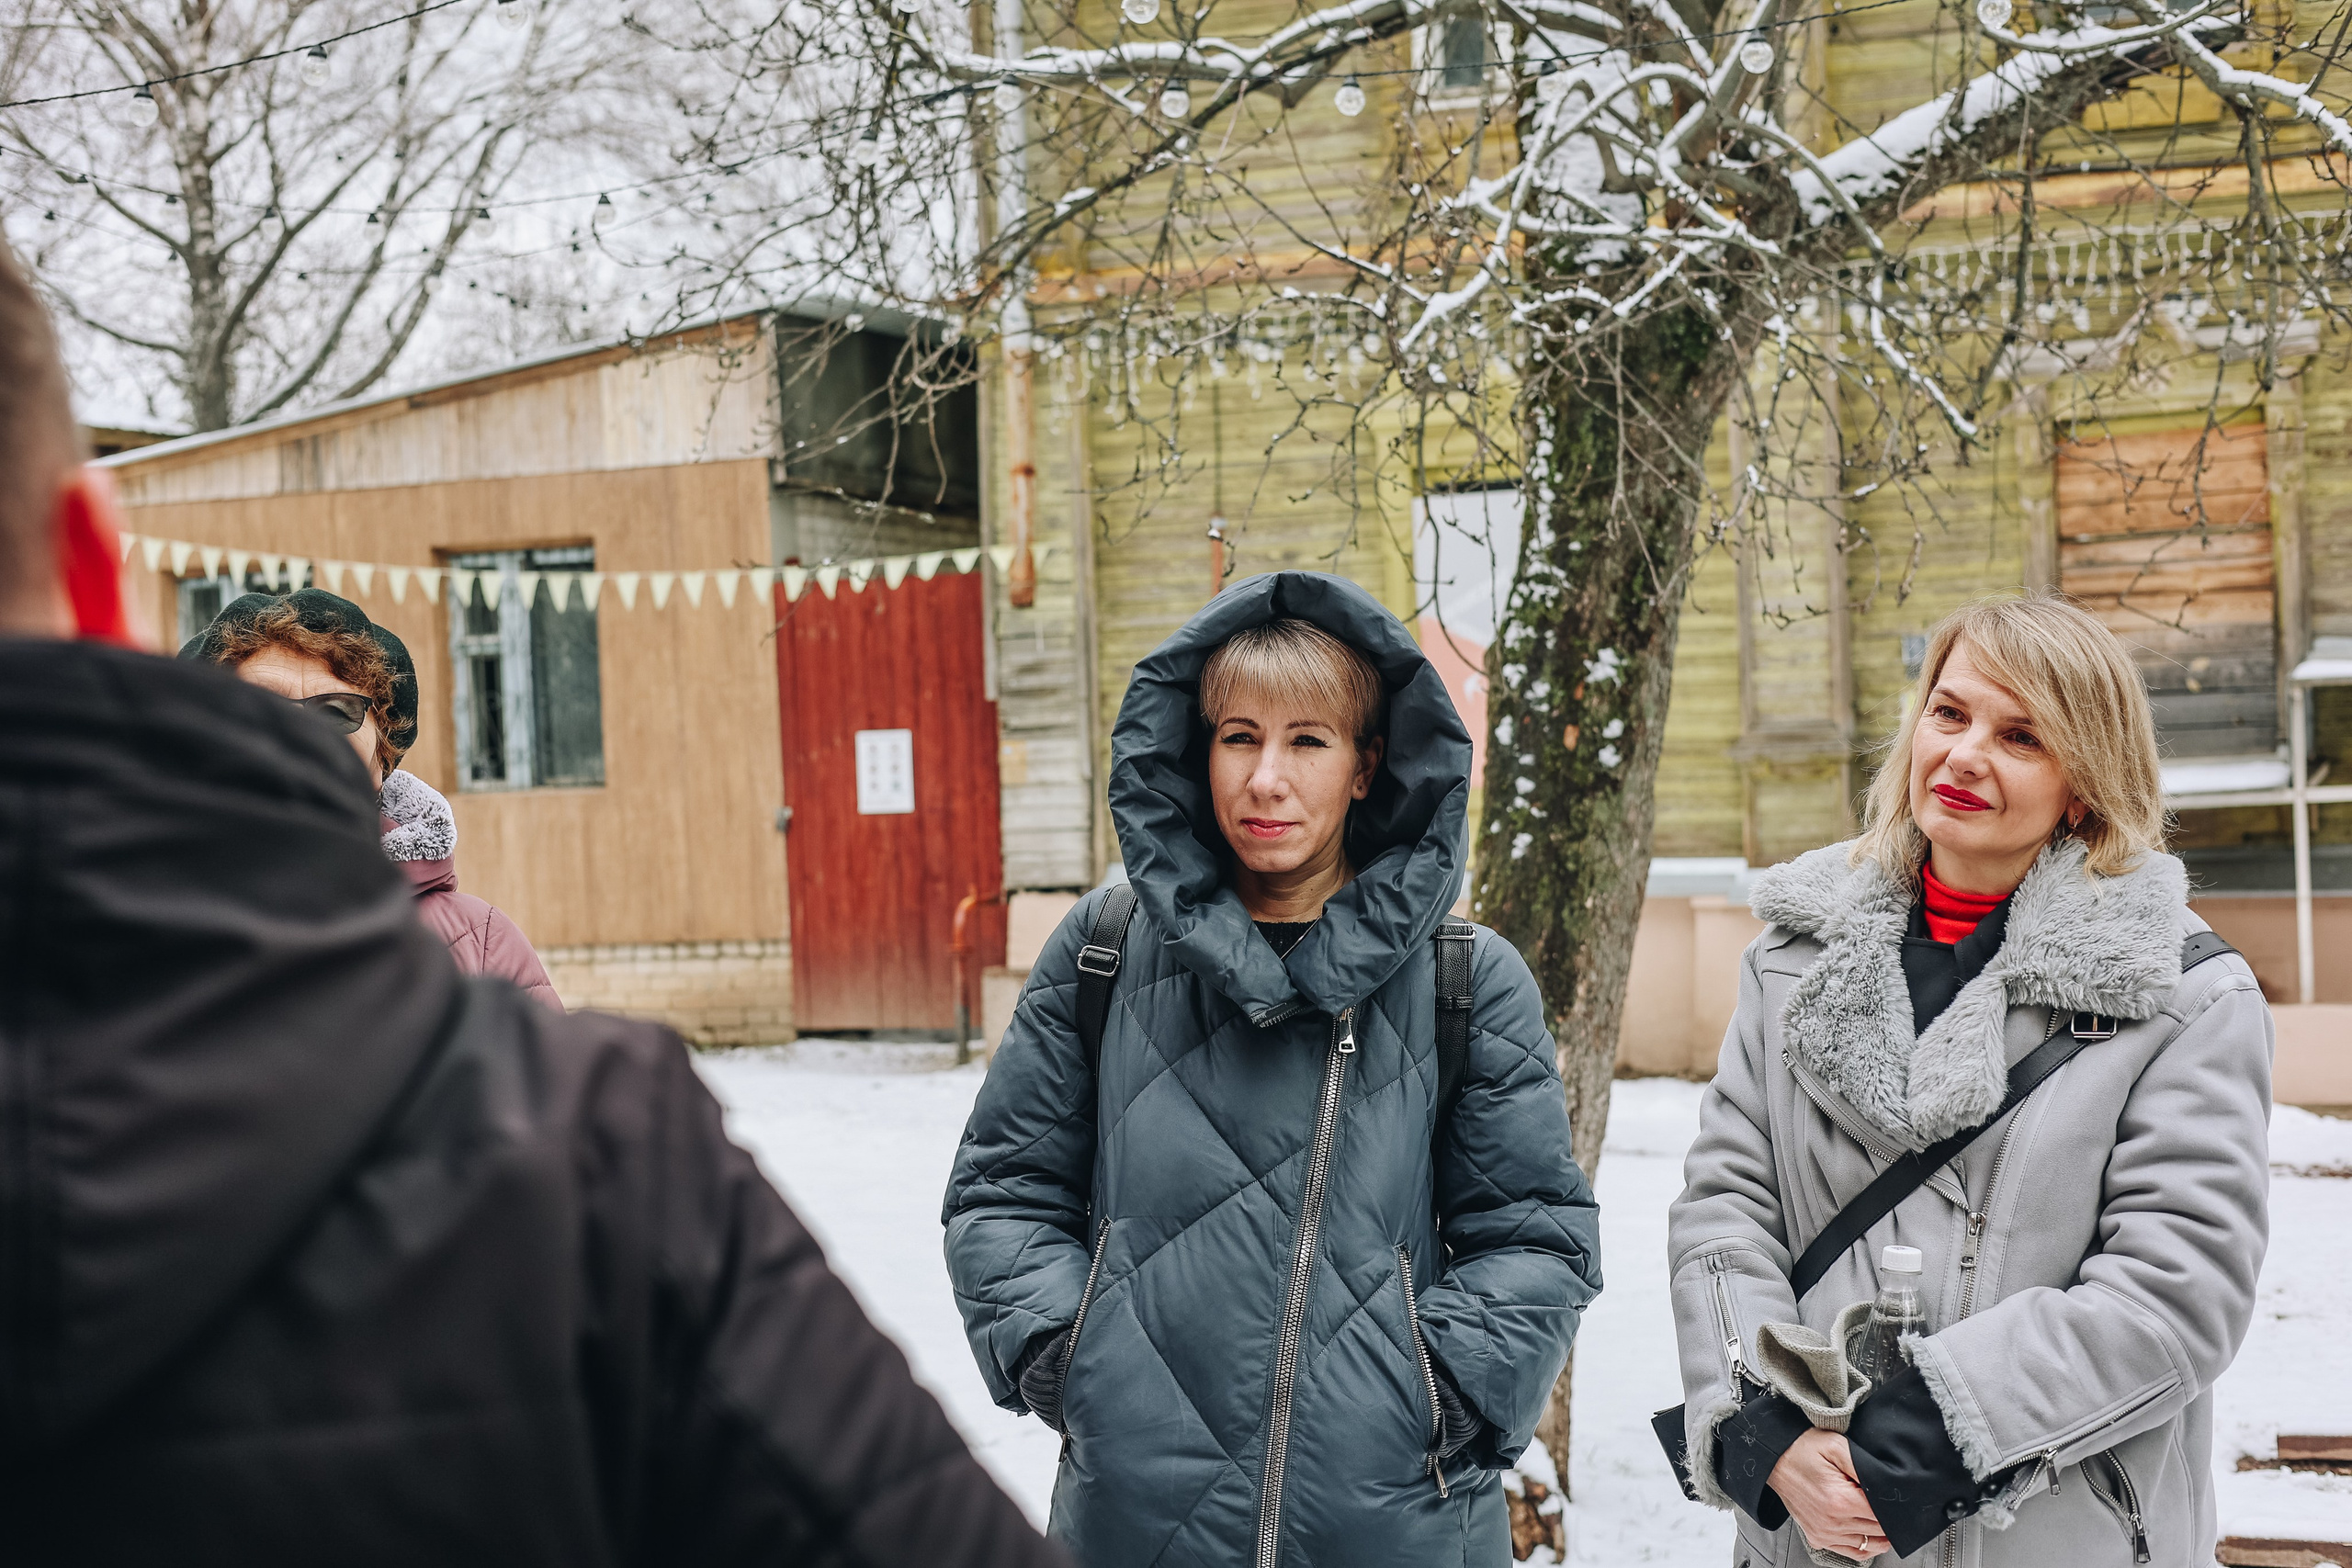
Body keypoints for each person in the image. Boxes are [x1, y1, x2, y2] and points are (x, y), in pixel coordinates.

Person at [0, 238, 1065, 1568]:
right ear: (100, 575)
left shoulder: (521, 1035)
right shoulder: (599, 1149)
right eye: (252, 711)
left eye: (333, 714)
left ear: (386, 738)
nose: (290, 745)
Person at [944, 572, 1602, 1566]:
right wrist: (1071, 1362)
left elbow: (1535, 1240)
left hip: (1396, 1524)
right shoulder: (1104, 952)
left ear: (1367, 765)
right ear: (1195, 752)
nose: (1266, 778)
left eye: (1308, 741)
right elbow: (1002, 1194)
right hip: (1139, 1523)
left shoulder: (1464, 979)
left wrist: (1435, 1390)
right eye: (1239, 737)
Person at [1669, 596, 2272, 1568]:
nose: (1961, 755)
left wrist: (1909, 1451)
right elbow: (1723, 1212)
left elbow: (2176, 1292)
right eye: (1947, 714)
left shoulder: (2181, 997)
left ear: (2083, 784)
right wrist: (1764, 1434)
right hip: (1813, 1539)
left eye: (2021, 735)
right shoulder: (1790, 961)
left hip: (2055, 1533)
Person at [184, 588, 562, 1009]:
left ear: (382, 761)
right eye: (261, 707)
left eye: (336, 712)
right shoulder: (131, 921)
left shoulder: (482, 943)